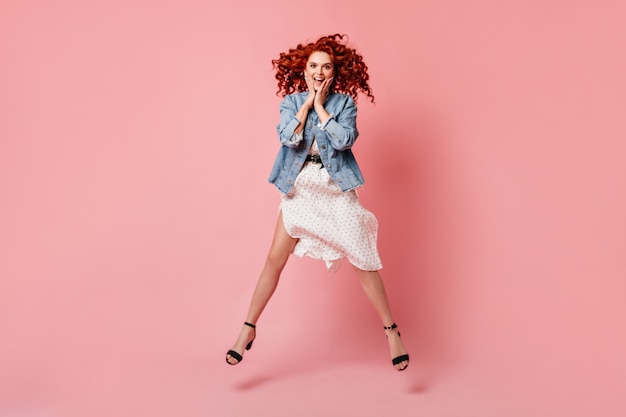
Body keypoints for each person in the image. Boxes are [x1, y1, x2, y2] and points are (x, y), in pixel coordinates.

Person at [225, 34, 409, 371]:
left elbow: (343, 141)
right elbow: (287, 137)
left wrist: (322, 107)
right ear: (304, 70)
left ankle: (391, 330)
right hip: (300, 189)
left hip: (334, 187)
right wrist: (307, 105)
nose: (319, 71)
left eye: (325, 67)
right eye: (313, 66)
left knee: (362, 258)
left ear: (334, 72)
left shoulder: (345, 105)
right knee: (273, 260)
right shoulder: (291, 103)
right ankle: (247, 330)